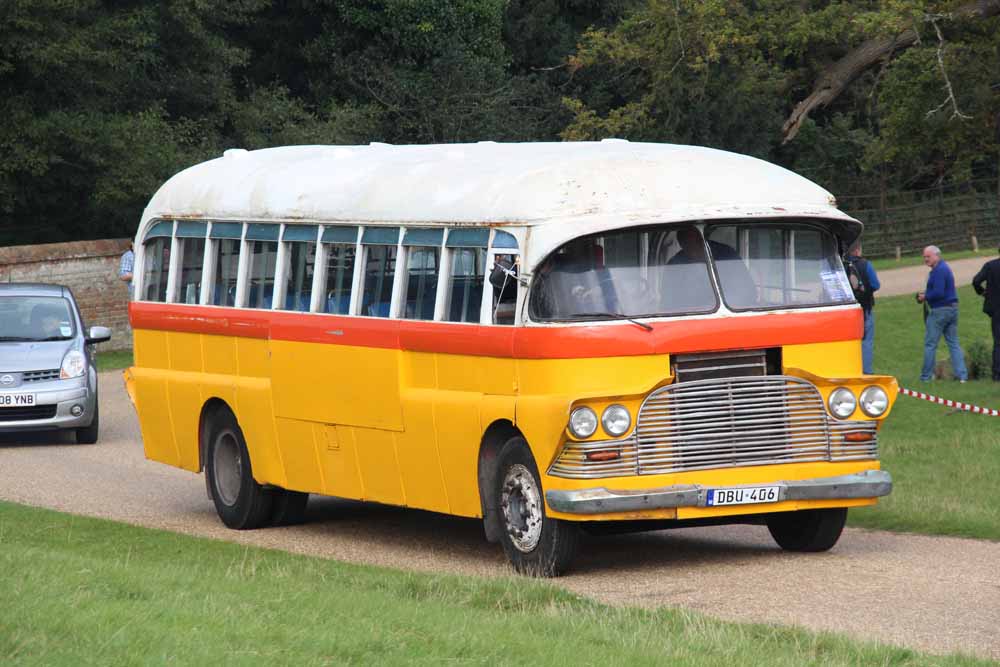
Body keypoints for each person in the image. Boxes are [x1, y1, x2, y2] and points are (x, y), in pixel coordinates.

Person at [917, 245, 967, 382]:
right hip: (952, 309)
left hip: (940, 311)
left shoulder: (938, 271)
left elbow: (939, 292)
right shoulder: (944, 268)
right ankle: (962, 376)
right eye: (924, 257)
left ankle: (926, 377)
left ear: (936, 256)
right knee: (953, 343)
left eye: (928, 256)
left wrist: (924, 296)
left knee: (930, 344)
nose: (925, 259)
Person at [845, 241, 880, 374]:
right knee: (866, 341)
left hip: (848, 310)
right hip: (865, 308)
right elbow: (876, 285)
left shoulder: (842, 265)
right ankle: (866, 372)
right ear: (858, 250)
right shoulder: (866, 265)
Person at [972, 247, 1000, 381]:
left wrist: (982, 292)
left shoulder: (990, 266)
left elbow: (976, 281)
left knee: (998, 342)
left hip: (996, 309)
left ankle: (997, 374)